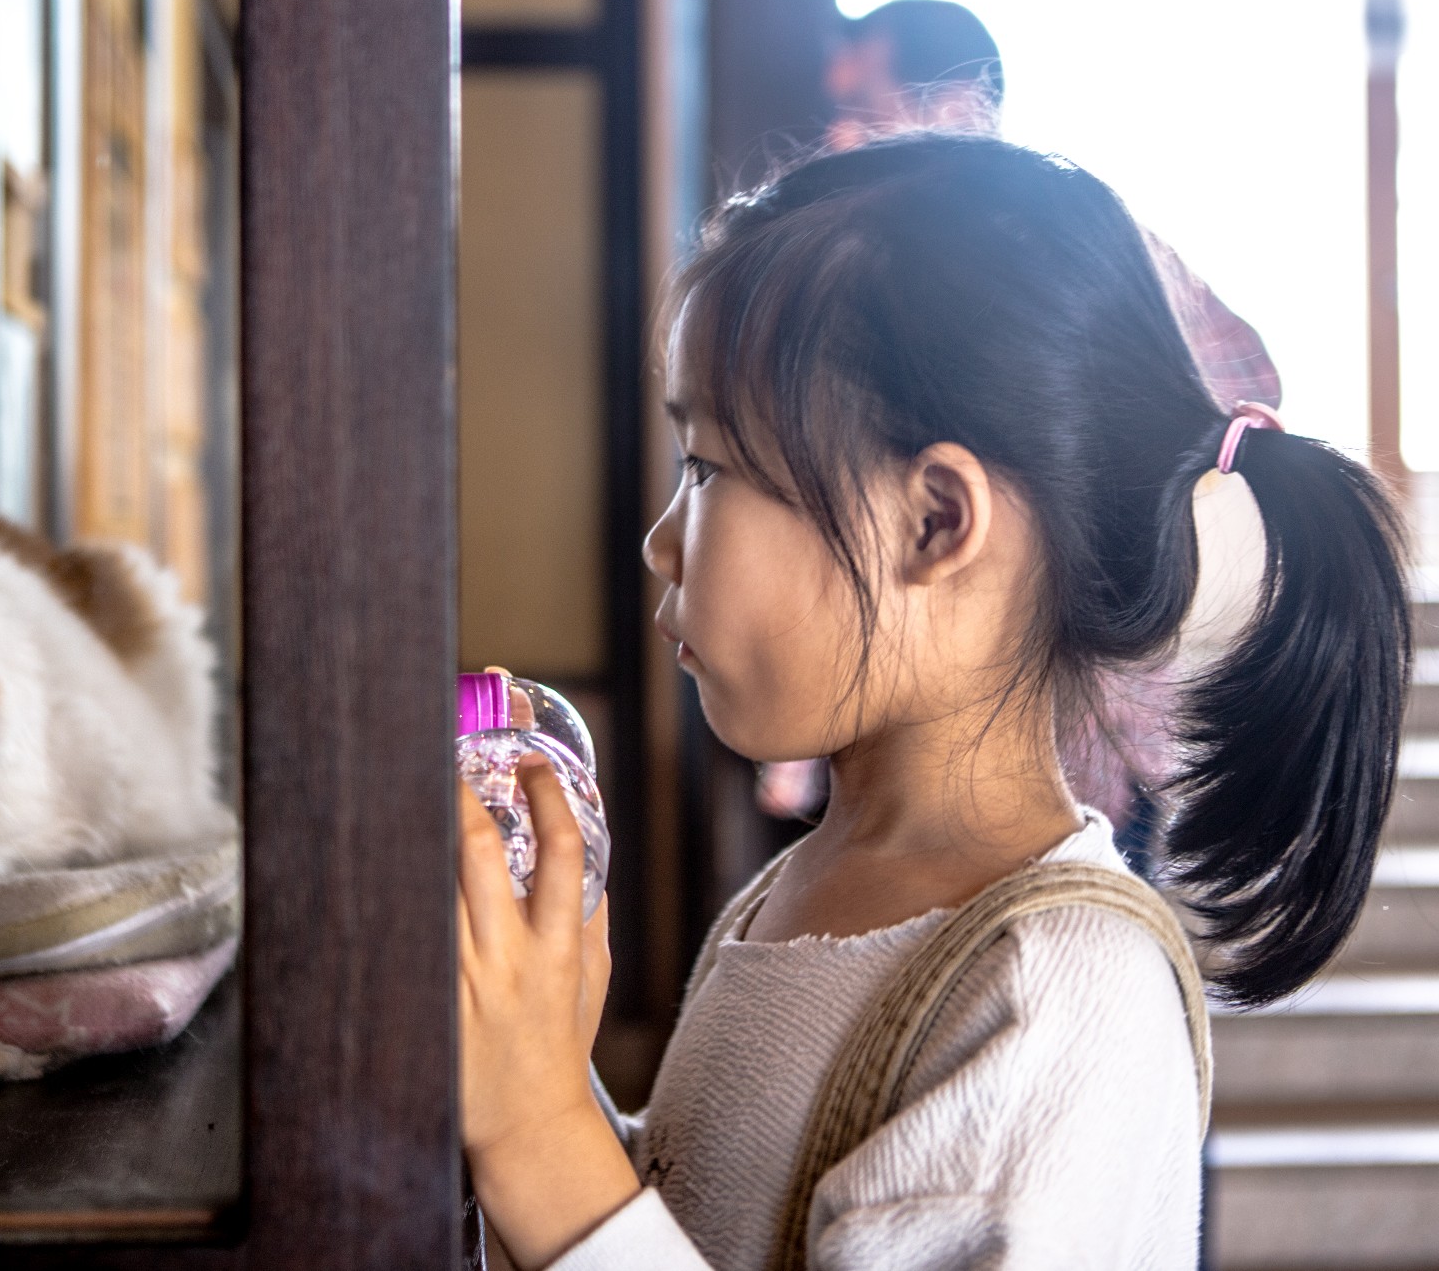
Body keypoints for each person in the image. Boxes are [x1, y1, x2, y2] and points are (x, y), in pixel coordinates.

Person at [457, 136, 1408, 1269]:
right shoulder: (811, 882)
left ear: (933, 522)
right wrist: (537, 1071)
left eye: (707, 468)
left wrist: (537, 1139)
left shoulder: (1054, 993)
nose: (660, 542)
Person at [756, 0, 1281, 851]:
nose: (840, 135)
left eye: (864, 105)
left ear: (957, 99)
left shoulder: (1074, 246)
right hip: (907, 711)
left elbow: (1239, 390)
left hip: (1072, 710)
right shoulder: (866, 268)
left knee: (1072, 946)